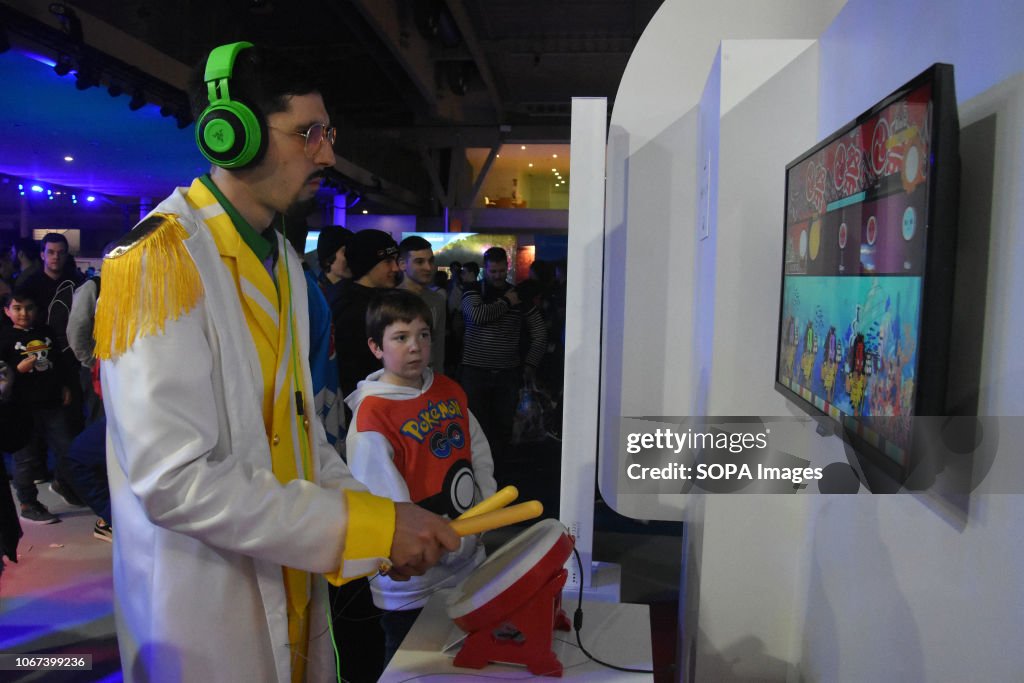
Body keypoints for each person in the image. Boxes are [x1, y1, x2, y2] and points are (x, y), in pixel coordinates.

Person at [93, 41, 459, 683]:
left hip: (293, 590)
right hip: (205, 616)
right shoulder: (158, 261)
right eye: (308, 133)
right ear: (230, 133)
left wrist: (378, 527)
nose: (327, 153)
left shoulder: (282, 262)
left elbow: (305, 440)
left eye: (329, 132)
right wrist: (369, 524)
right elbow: (174, 483)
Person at [346, 289, 496, 665]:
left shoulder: (448, 389)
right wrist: (448, 545)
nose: (415, 347)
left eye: (423, 335)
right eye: (400, 337)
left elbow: (478, 454)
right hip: (415, 581)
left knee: (464, 660)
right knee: (413, 665)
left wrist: (485, 516)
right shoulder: (372, 414)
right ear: (376, 347)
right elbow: (387, 501)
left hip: (469, 560)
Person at [460, 247, 546, 471]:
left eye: (501, 271)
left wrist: (530, 364)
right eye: (493, 271)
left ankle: (498, 474)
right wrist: (508, 302)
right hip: (475, 371)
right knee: (476, 428)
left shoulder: (518, 296)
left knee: (503, 429)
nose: (497, 276)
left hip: (507, 373)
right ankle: (477, 473)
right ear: (485, 269)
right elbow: (477, 316)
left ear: (507, 268)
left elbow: (539, 331)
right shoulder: (472, 291)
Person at [0, 288, 77, 524]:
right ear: (7, 311)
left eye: (29, 308)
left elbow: (59, 363)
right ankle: (27, 503)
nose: (24, 313)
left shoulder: (46, 332)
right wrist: (16, 370)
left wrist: (65, 386)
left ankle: (62, 484)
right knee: (26, 459)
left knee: (67, 449)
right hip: (21, 408)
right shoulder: (4, 338)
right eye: (17, 308)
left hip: (52, 402)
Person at [331, 228, 401, 398]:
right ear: (367, 263)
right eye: (388, 261)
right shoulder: (351, 309)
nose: (396, 268)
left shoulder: (379, 299)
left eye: (396, 260)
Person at [397, 235, 446, 371]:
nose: (428, 267)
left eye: (431, 261)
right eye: (419, 262)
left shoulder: (437, 299)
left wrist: (438, 377)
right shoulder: (389, 299)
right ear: (402, 264)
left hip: (429, 375)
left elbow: (438, 344)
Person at [315, 225, 353, 307]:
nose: (352, 257)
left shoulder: (355, 293)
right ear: (328, 258)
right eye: (346, 252)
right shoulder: (313, 293)